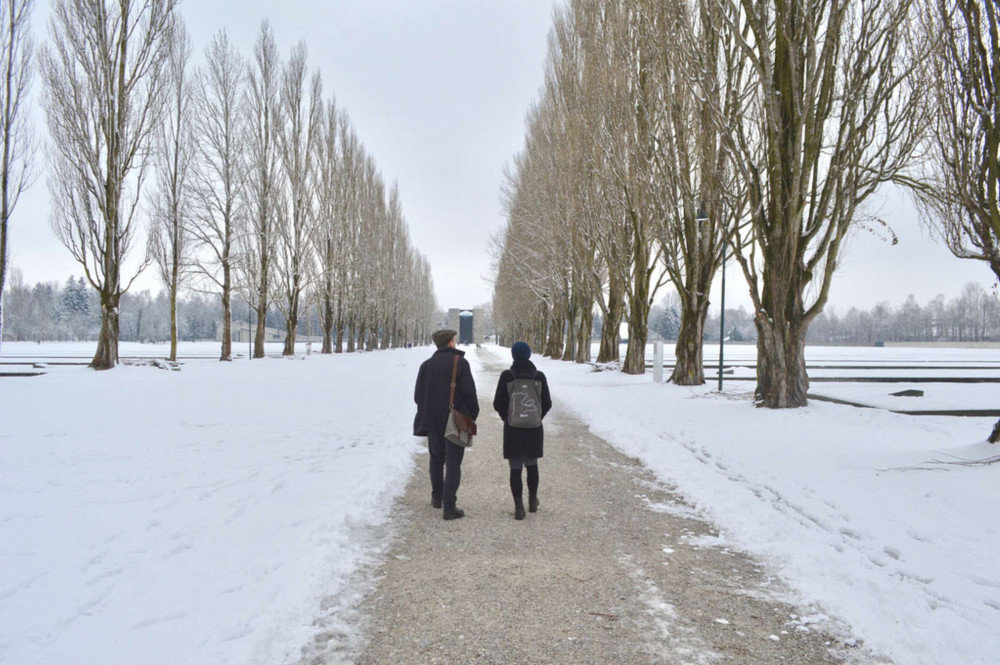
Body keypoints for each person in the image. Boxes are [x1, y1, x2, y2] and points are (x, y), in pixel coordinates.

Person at [413, 329, 479, 520]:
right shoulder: (460, 363)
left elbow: (418, 396)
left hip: (432, 420)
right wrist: (469, 417)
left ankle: (437, 498)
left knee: (436, 459)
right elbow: (470, 394)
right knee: (453, 463)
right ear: (450, 343)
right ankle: (449, 506)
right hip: (455, 421)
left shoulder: (426, 365)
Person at [492, 341, 552, 520]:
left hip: (513, 429)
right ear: (529, 355)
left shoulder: (506, 376)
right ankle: (533, 501)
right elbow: (547, 403)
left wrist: (508, 418)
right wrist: (536, 418)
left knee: (515, 468)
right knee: (532, 465)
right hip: (534, 428)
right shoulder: (539, 376)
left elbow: (497, 403)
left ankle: (519, 507)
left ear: (513, 356)